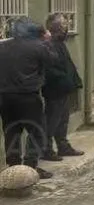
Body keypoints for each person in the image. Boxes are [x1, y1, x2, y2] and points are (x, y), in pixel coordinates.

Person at [0, 17, 56, 179]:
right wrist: (47, 41)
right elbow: (53, 61)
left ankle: (14, 167)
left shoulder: (3, 46)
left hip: (5, 97)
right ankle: (30, 166)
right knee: (37, 131)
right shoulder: (38, 47)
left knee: (11, 131)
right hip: (28, 97)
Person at [40, 13, 84, 162]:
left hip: (62, 88)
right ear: (56, 27)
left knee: (63, 119)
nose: (66, 28)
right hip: (54, 90)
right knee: (52, 120)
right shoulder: (48, 45)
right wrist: (64, 78)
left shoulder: (59, 43)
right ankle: (46, 149)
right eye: (64, 25)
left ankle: (63, 146)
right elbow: (50, 69)